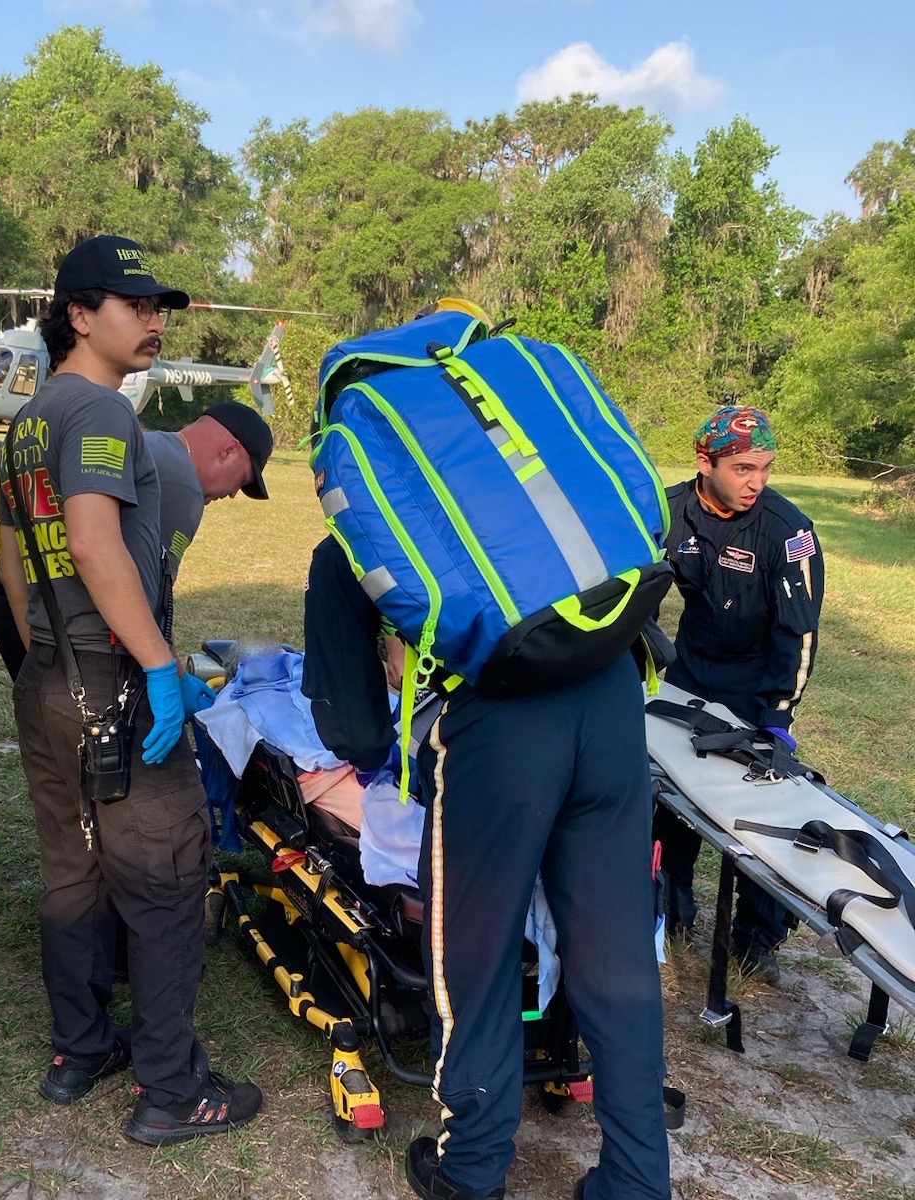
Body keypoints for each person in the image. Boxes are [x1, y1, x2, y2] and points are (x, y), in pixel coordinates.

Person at [303, 463, 670, 1195]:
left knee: (474, 957)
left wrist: (382, 753)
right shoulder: (532, 493)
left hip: (498, 732)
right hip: (613, 704)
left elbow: (351, 726)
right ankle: (635, 1180)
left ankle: (470, 1170)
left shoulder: (366, 528)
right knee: (618, 959)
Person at [0, 233, 263, 1145]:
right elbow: (96, 544)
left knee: (73, 872)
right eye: (136, 306)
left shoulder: (30, 418)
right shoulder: (103, 414)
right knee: (163, 878)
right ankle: (172, 1090)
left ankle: (79, 1050)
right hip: (112, 681)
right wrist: (154, 667)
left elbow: (15, 573)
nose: (153, 322)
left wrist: (51, 662)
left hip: (48, 681)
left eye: (160, 309)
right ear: (79, 313)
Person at [655, 405, 824, 985]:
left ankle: (758, 937)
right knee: (667, 798)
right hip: (690, 670)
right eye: (745, 468)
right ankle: (668, 911)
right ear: (705, 461)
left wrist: (778, 714)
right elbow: (640, 597)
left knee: (761, 813)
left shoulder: (789, 531)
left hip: (756, 682)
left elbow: (797, 633)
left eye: (766, 469)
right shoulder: (669, 509)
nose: (757, 482)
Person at [0, 402, 274, 684]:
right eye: (244, 478)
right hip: (64, 627)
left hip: (19, 601)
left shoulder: (148, 445)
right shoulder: (182, 486)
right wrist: (176, 677)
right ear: (229, 450)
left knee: (44, 720)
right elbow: (152, 603)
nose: (235, 493)